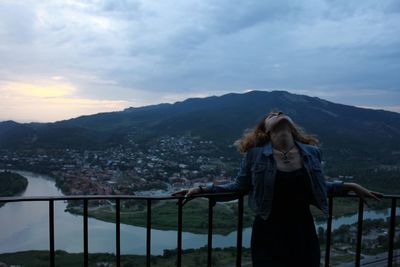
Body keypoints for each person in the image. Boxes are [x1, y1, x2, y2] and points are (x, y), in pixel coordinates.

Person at [171, 111, 382, 267]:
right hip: (268, 230)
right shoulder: (254, 155)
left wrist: (350, 186)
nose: (278, 114)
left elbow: (317, 187)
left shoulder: (312, 153)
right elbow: (238, 188)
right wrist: (201, 189)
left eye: (282, 113)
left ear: (292, 127)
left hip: (303, 229)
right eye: (272, 115)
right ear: (265, 129)